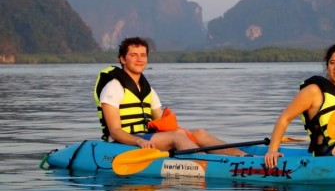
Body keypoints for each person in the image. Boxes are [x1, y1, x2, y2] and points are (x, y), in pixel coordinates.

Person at [95, 36, 244, 155]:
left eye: (143, 55)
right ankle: (208, 163)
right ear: (122, 59)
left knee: (199, 133)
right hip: (125, 142)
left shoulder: (147, 90)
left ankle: (243, 158)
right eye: (133, 55)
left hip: (148, 137)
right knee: (177, 136)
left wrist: (183, 132)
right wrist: (138, 142)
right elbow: (115, 131)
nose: (139, 59)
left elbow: (160, 120)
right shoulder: (113, 88)